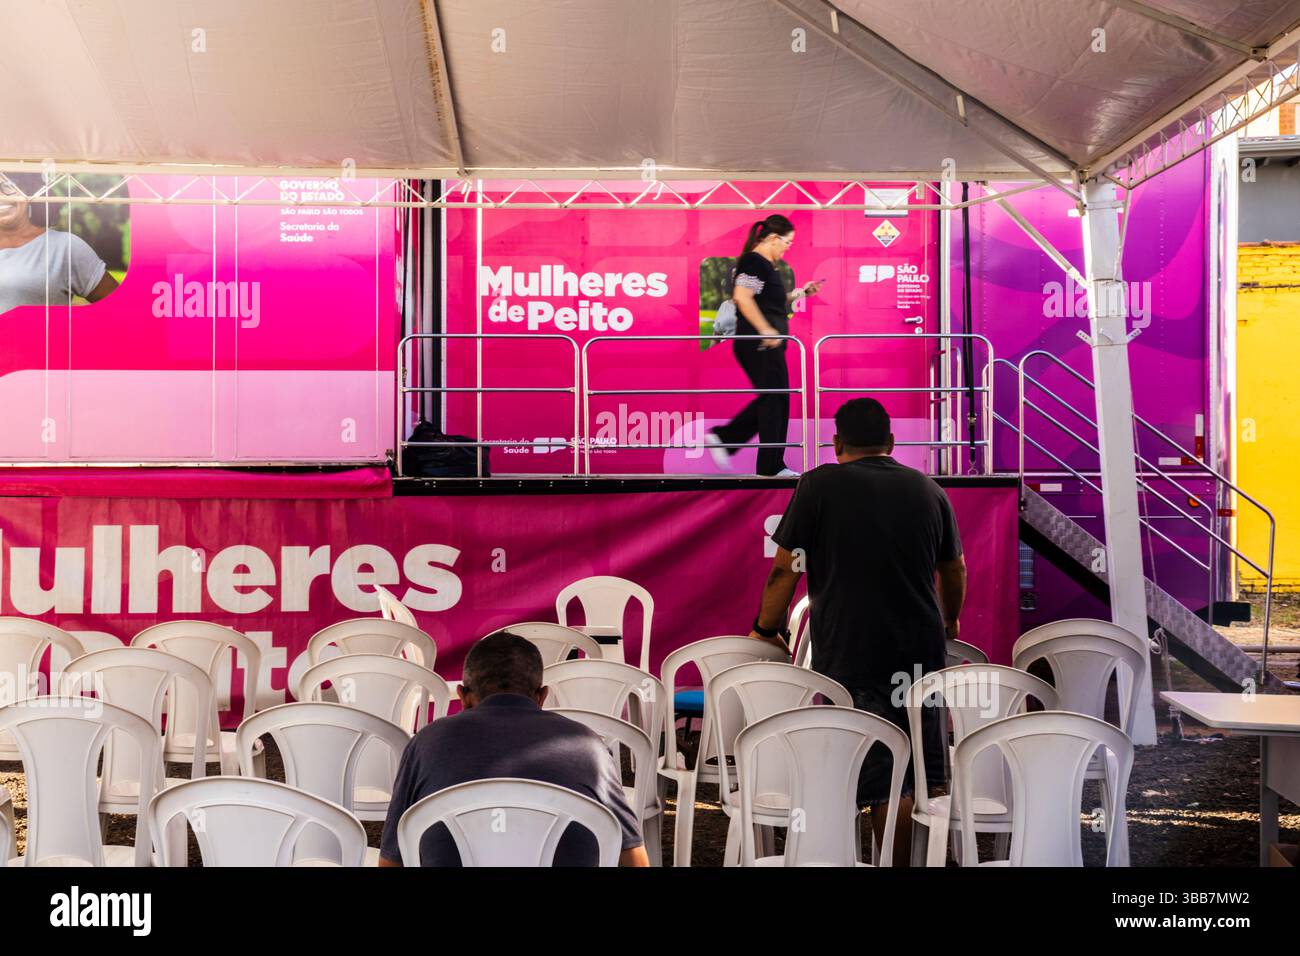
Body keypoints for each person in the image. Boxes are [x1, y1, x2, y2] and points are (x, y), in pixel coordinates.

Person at [746, 397, 967, 865]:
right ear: (891, 442)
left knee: (859, 764)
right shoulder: (929, 490)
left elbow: (785, 570)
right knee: (911, 775)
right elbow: (955, 569)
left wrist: (765, 626)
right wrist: (949, 620)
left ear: (836, 442)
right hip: (919, 655)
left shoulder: (818, 485)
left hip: (848, 652)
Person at [378, 631, 649, 866]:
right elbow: (633, 856)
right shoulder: (590, 747)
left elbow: (391, 859)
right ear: (541, 696)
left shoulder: (425, 744)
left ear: (462, 697)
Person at [707, 214, 821, 478]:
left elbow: (771, 302)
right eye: (787, 242)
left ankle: (729, 440)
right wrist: (765, 330)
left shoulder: (764, 266)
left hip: (765, 343)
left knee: (776, 399)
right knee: (774, 400)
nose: (788, 248)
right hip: (759, 343)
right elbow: (742, 298)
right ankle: (765, 463)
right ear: (772, 238)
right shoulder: (754, 261)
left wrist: (802, 293)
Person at [0, 172, 118, 315]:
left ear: (29, 191)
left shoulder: (65, 247)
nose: (2, 195)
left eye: (8, 185)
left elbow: (118, 305)